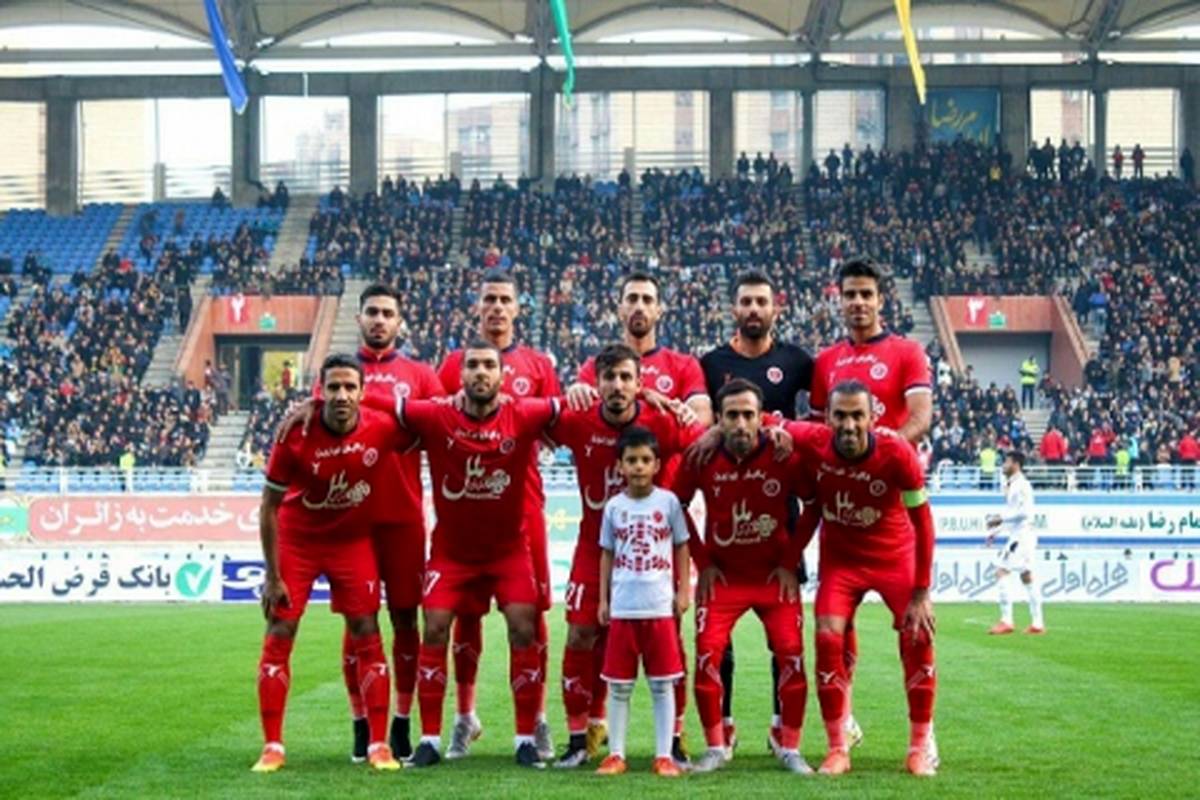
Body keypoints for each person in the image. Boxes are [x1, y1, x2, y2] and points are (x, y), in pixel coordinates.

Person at [281, 283, 446, 761]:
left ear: (400, 321)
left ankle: (401, 722)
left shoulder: (420, 374)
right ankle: (360, 723)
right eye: (372, 312)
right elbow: (314, 428)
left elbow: (437, 421)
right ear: (359, 318)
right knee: (360, 623)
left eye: (387, 313)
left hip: (403, 517)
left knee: (406, 619)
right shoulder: (336, 375)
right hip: (352, 519)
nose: (379, 320)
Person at [402, 341, 561, 769]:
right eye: (472, 365)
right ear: (461, 375)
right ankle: (430, 739)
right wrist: (319, 402)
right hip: (452, 554)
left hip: (509, 552)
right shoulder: (437, 414)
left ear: (503, 376)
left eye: (489, 365)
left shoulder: (522, 413)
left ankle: (526, 738)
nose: (480, 372)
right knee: (435, 628)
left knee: (524, 629)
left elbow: (575, 410)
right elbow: (382, 405)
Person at [252, 353, 411, 773]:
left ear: (362, 392)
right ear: (319, 391)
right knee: (280, 629)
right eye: (333, 387)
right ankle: (272, 746)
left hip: (351, 544)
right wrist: (272, 575)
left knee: (367, 632)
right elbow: (268, 507)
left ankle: (378, 745)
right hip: (298, 543)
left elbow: (426, 422)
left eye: (349, 387)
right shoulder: (295, 434)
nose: (341, 395)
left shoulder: (382, 427)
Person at [549, 344, 700, 769]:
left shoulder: (661, 420)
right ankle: (580, 736)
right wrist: (566, 392)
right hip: (594, 546)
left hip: (652, 556)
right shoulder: (577, 417)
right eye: (609, 377)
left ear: (640, 383)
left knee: (669, 641)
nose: (617, 385)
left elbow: (705, 439)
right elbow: (529, 421)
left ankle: (674, 739)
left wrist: (683, 410)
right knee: (581, 635)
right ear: (596, 383)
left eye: (626, 377)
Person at [807, 256, 933, 754]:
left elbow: (920, 417)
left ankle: (923, 738)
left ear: (881, 300)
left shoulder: (906, 352)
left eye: (866, 294)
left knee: (916, 630)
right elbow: (818, 432)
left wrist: (880, 458)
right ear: (839, 301)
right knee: (833, 629)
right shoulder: (826, 362)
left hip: (891, 514)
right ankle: (844, 723)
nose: (858, 302)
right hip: (841, 521)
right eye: (850, 294)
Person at [784, 380, 939, 777]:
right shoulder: (814, 441)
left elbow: (923, 524)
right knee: (826, 635)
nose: (849, 425)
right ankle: (838, 747)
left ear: (873, 418)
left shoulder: (897, 453)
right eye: (840, 415)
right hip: (842, 562)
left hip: (895, 558)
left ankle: (919, 748)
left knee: (918, 633)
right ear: (827, 418)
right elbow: (767, 421)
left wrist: (921, 591)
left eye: (857, 416)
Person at [437, 270, 561, 761]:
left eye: (504, 299)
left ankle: (537, 719)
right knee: (465, 614)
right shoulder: (453, 364)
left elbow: (557, 429)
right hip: (467, 512)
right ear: (478, 306)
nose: (496, 307)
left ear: (517, 307)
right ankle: (465, 717)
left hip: (523, 508)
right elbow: (431, 417)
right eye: (488, 298)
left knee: (532, 616)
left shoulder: (538, 365)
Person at [699, 270, 814, 755]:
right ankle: (723, 723)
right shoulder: (712, 363)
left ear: (775, 308)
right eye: (745, 302)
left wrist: (787, 433)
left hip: (781, 511)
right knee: (717, 639)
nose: (753, 310)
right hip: (728, 511)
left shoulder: (797, 361)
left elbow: (819, 419)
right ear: (734, 309)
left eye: (760, 302)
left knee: (784, 637)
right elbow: (703, 419)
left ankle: (779, 724)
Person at [674, 379, 811, 775]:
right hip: (724, 581)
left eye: (748, 415)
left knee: (792, 655)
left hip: (773, 579)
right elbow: (676, 504)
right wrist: (703, 561)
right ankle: (716, 747)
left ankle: (790, 747)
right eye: (731, 415)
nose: (740, 423)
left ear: (760, 417)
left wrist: (790, 561)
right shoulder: (701, 456)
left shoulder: (783, 453)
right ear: (718, 419)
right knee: (706, 655)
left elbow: (814, 503)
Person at [593, 427, 691, 778]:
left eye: (645, 460)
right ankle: (616, 754)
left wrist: (683, 591)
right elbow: (606, 554)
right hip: (623, 607)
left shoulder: (668, 503)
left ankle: (664, 755)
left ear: (657, 465)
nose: (638, 466)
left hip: (659, 607)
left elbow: (681, 545)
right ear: (620, 466)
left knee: (662, 684)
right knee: (619, 687)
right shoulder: (613, 507)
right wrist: (603, 599)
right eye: (631, 460)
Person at [986, 451, 1044, 635]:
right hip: (1021, 534)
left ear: (1016, 464)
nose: (1003, 465)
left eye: (1007, 462)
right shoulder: (1011, 484)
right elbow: (1014, 515)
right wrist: (997, 531)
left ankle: (1006, 620)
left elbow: (1025, 513)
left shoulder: (1022, 485)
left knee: (1001, 570)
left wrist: (1000, 518)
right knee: (1027, 576)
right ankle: (1037, 623)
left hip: (1022, 536)